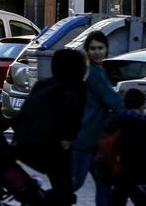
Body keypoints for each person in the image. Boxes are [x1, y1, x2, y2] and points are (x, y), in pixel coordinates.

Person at [14, 48, 86, 206]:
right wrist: (68, 138)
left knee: (62, 190)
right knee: (63, 191)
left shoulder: (43, 85)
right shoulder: (73, 89)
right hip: (51, 147)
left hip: (24, 143)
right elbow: (71, 118)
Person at [73, 31, 123, 206]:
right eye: (92, 48)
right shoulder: (93, 73)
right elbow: (114, 101)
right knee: (74, 182)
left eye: (100, 48)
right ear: (87, 50)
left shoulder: (98, 70)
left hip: (96, 139)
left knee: (104, 183)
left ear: (107, 49)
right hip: (85, 138)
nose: (97, 52)